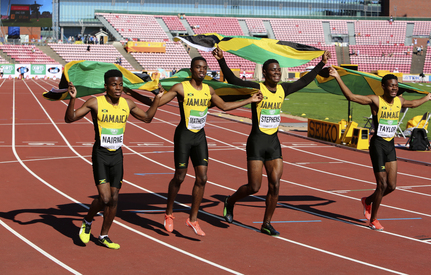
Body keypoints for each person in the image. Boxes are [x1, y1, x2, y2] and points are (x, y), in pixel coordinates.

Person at [127, 57, 262, 236]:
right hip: (184, 136)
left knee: (202, 178)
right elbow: (155, 103)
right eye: (198, 68)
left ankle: (193, 219)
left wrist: (250, 100)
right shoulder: (181, 88)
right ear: (191, 70)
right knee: (180, 176)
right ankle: (168, 213)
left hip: (199, 138)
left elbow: (225, 106)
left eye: (204, 68)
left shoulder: (209, 89)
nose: (201, 71)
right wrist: (132, 93)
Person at [213, 47, 331, 235]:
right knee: (254, 186)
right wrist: (221, 60)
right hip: (257, 142)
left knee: (275, 183)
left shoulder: (284, 89)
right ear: (265, 73)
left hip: (274, 142)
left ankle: (266, 223)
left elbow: (304, 81)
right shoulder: (256, 89)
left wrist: (322, 63)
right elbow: (234, 80)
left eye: (278, 70)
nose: (277, 72)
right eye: (273, 70)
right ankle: (230, 200)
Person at [65, 69, 163, 249]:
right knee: (104, 198)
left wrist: (157, 99)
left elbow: (147, 118)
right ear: (106, 86)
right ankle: (87, 221)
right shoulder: (95, 102)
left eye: (120, 84)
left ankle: (104, 235)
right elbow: (70, 118)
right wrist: (73, 98)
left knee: (115, 198)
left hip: (117, 155)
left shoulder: (128, 104)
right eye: (113, 84)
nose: (118, 88)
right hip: (101, 154)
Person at [329, 68, 431, 231]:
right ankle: (374, 219)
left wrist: (426, 98)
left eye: (396, 86)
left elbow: (413, 104)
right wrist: (337, 77)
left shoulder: (399, 101)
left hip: (390, 145)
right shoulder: (376, 101)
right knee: (382, 184)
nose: (394, 88)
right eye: (391, 86)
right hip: (377, 145)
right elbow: (351, 97)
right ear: (383, 87)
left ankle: (367, 201)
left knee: (391, 186)